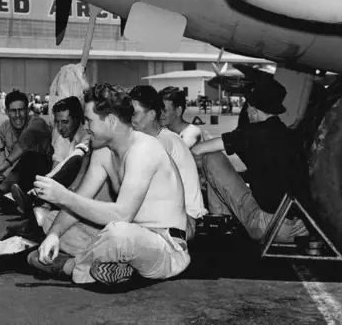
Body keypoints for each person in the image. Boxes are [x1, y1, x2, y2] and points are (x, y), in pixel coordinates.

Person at [28, 83, 190, 285]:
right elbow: (80, 199)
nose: (85, 128)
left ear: (111, 121)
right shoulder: (103, 151)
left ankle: (70, 268)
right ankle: (112, 266)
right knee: (50, 219)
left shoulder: (144, 150)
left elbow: (122, 215)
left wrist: (63, 196)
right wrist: (54, 234)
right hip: (128, 236)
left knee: (118, 233)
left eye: (89, 121)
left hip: (165, 248)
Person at [191, 77, 308, 242]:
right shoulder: (293, 137)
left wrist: (203, 176)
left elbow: (197, 150)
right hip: (300, 227)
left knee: (212, 157)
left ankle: (218, 221)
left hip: (268, 226)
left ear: (253, 109)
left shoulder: (248, 135)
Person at [129, 86, 207, 240]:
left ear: (151, 115)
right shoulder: (164, 138)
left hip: (188, 220)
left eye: (135, 113)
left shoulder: (164, 141)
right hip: (181, 216)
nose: (130, 119)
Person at [11, 96, 90, 222]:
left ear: (77, 120)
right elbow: (57, 166)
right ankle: (33, 200)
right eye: (57, 122)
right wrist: (46, 183)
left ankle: (34, 201)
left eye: (65, 122)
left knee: (74, 160)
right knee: (31, 157)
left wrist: (44, 186)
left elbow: (72, 165)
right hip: (62, 179)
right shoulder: (61, 137)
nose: (60, 127)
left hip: (80, 183)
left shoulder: (86, 137)